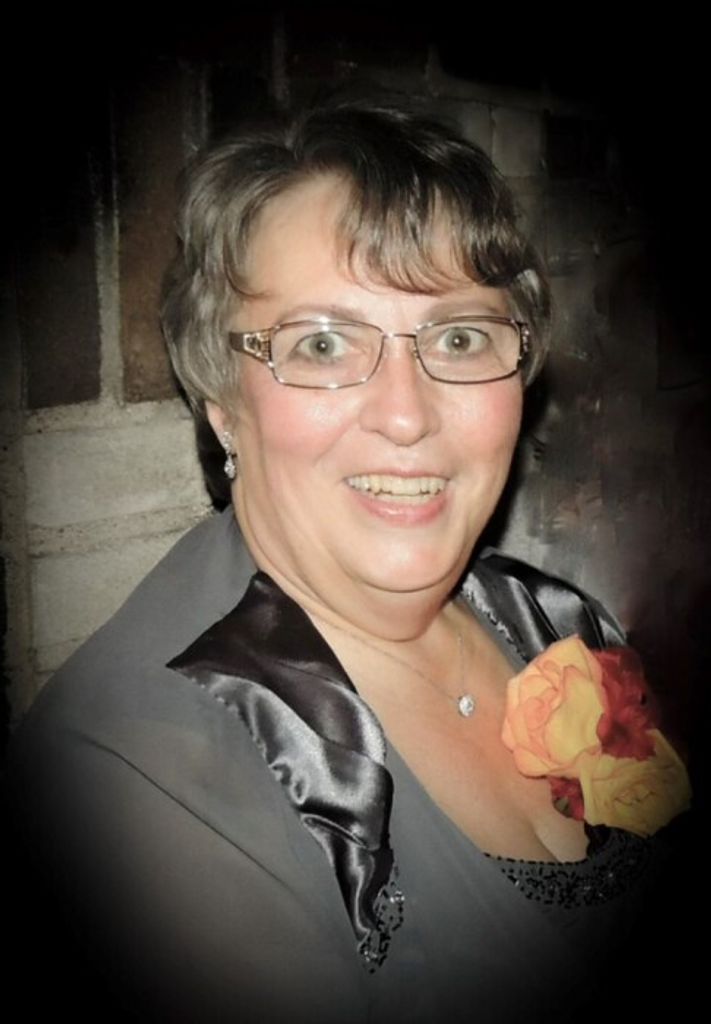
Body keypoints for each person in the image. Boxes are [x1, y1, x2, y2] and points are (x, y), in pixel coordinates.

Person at [6, 102, 690, 1023]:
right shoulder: (135, 786)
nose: (406, 414)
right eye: (322, 344)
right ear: (221, 402)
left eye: (458, 336)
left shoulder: (549, 618)